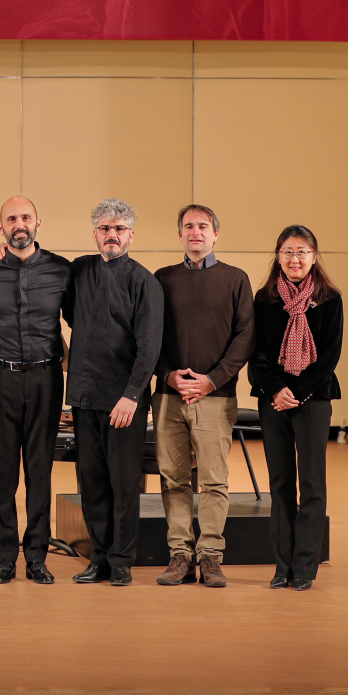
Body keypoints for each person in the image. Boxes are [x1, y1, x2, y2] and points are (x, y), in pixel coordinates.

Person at [151, 204, 255, 588]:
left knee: (213, 481)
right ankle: (180, 555)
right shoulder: (162, 279)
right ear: (180, 234)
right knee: (173, 480)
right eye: (189, 226)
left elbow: (245, 337)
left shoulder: (235, 279)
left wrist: (212, 380)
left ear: (215, 234)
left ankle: (210, 557)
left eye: (203, 226)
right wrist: (167, 375)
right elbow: (148, 336)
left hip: (216, 396)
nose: (196, 232)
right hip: (169, 397)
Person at [63, 199, 162, 587]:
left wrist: (132, 394)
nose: (112, 235)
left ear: (131, 235)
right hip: (84, 396)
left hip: (123, 401)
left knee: (123, 484)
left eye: (119, 229)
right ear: (95, 234)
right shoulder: (79, 270)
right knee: (91, 483)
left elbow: (149, 346)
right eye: (105, 228)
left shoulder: (144, 282)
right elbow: (69, 314)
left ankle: (122, 560)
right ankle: (100, 557)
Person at [0, 196, 71, 585]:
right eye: (11, 218)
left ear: (37, 223)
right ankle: (4, 557)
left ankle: (36, 557)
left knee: (39, 471)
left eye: (25, 217)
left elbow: (84, 321)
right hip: (0, 378)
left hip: (47, 378)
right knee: (3, 474)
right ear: (1, 227)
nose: (19, 224)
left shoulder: (62, 269)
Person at [250, 225, 342, 592]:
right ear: (278, 256)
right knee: (281, 483)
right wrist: (277, 389)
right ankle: (282, 566)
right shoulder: (264, 299)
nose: (295, 259)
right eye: (288, 251)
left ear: (314, 257)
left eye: (302, 251)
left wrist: (298, 392)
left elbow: (329, 357)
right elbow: (256, 353)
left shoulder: (330, 299)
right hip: (273, 399)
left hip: (314, 399)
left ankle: (305, 566)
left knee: (312, 483)